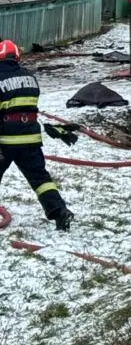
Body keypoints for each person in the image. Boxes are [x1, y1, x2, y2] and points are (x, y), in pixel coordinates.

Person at [0, 39, 75, 230]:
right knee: (40, 179)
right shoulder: (30, 77)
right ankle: (60, 211)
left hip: (5, 139)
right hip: (31, 138)